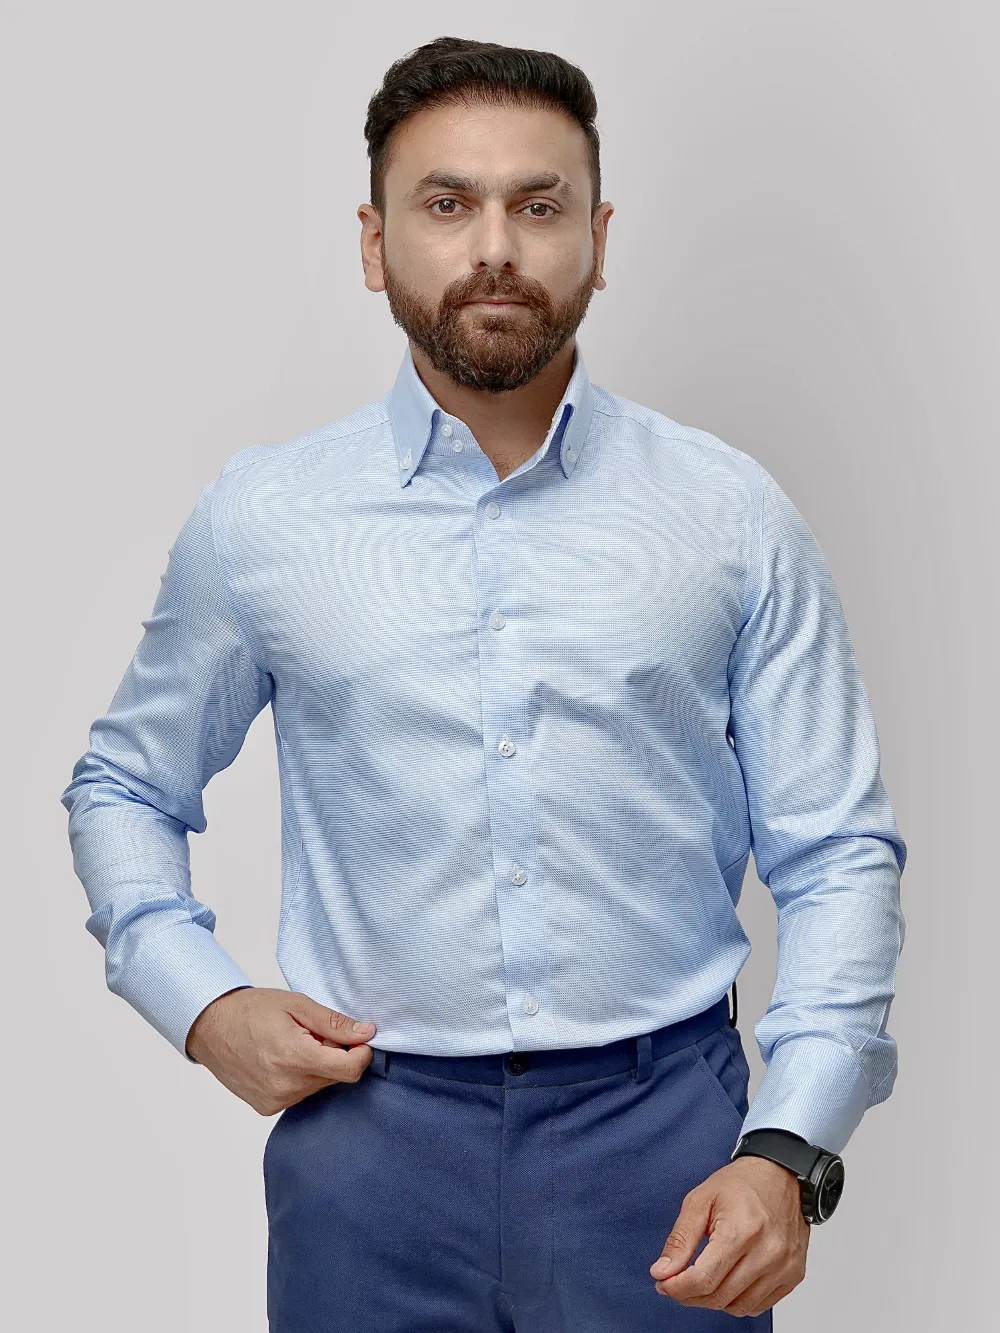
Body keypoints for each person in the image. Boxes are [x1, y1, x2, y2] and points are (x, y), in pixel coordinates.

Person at [60, 35, 907, 1332]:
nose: (495, 247)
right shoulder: (266, 518)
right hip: (369, 1147)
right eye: (447, 204)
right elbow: (126, 783)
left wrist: (789, 1147)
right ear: (374, 243)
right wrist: (201, 1002)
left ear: (600, 241)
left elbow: (837, 848)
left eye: (539, 205)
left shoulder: (728, 514)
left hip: (667, 1144)